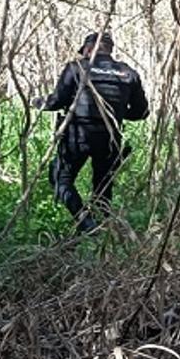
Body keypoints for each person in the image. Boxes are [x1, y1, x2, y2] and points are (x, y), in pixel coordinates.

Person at [32, 31, 149, 234]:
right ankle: (101, 235)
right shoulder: (128, 73)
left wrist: (37, 102)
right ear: (110, 50)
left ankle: (86, 224)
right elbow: (142, 112)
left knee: (60, 179)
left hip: (78, 135)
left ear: (87, 49)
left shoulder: (77, 67)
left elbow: (56, 102)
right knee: (103, 188)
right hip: (111, 138)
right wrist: (116, 113)